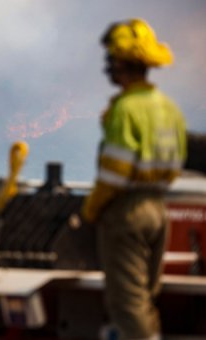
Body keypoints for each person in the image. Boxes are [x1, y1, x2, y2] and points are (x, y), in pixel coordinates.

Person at [81, 18, 187, 339]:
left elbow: (115, 173)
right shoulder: (168, 108)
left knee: (127, 302)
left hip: (127, 212)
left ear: (124, 63)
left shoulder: (125, 109)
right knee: (145, 297)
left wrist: (90, 210)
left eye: (111, 60)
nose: (108, 68)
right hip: (158, 208)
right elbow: (177, 161)